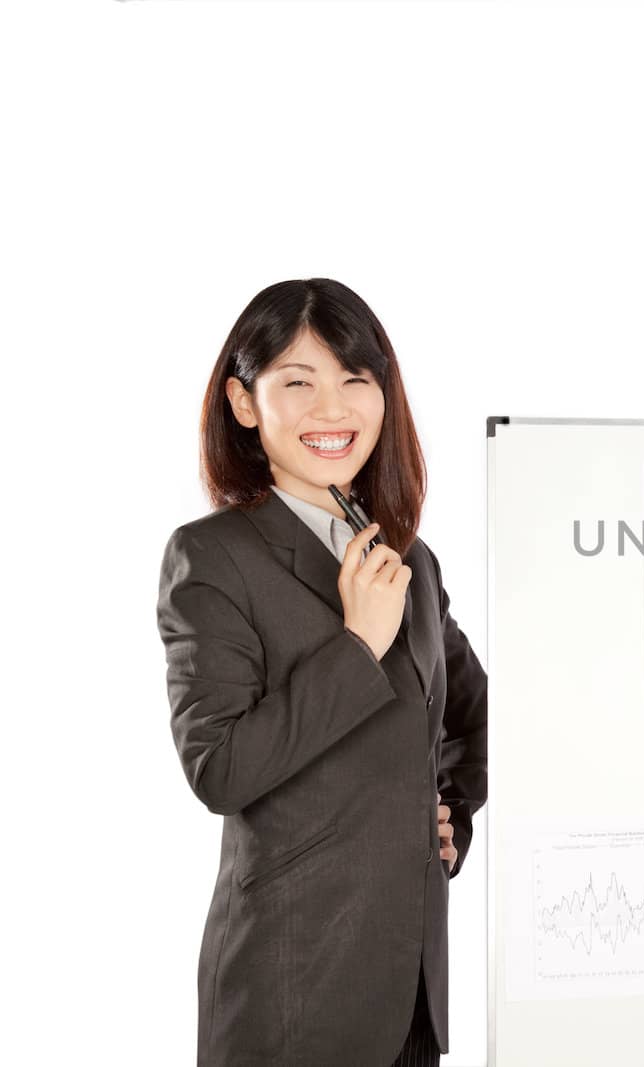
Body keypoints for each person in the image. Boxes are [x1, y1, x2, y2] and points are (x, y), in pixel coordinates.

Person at [155, 278, 489, 1066]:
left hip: (411, 994)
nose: (331, 409)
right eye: (297, 383)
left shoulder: (407, 558)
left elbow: (475, 715)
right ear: (245, 403)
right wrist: (356, 646)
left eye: (354, 380)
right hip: (291, 996)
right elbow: (220, 768)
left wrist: (448, 813)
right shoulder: (212, 558)